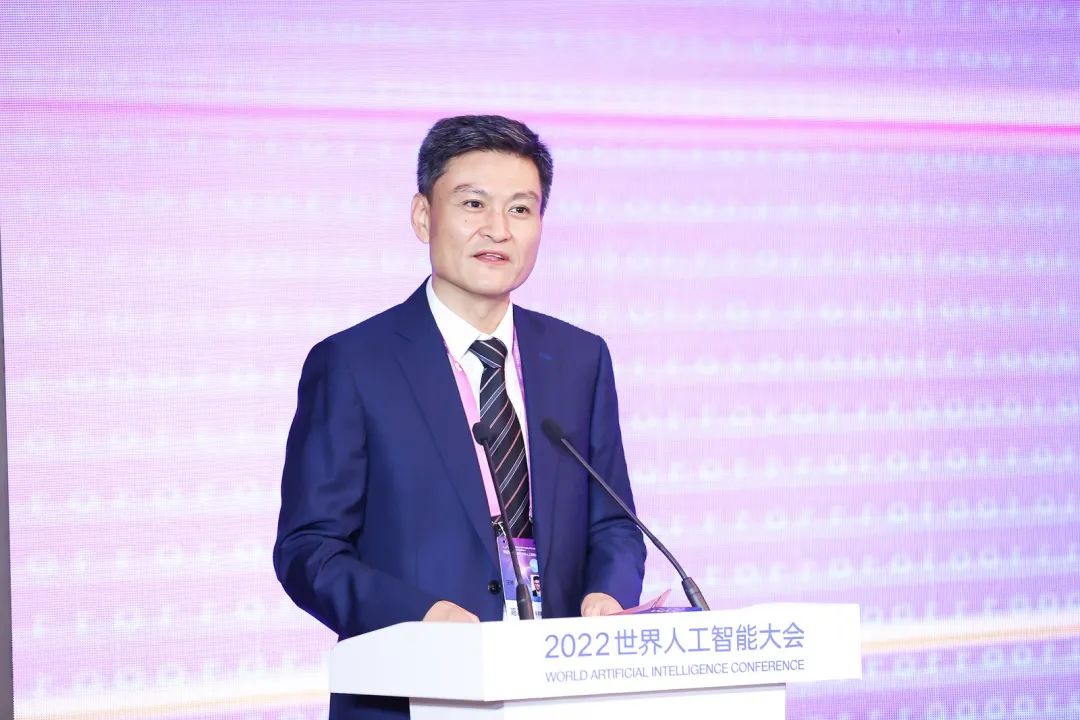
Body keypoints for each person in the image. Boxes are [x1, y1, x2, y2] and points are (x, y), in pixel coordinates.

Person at [274, 114, 646, 720]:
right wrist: (419, 616)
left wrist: (608, 594)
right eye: (473, 204)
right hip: (413, 694)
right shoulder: (353, 363)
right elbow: (308, 550)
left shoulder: (580, 358)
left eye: (521, 209)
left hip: (560, 691)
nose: (497, 229)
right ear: (423, 216)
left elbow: (615, 524)